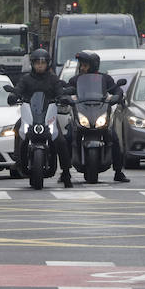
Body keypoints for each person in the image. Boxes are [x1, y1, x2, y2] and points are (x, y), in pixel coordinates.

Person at [66, 51, 129, 183]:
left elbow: (115, 89)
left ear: (93, 65)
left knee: (114, 138)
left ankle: (118, 171)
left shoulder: (105, 79)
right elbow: (66, 90)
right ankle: (65, 172)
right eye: (81, 65)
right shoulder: (75, 80)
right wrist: (65, 96)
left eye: (84, 65)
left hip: (100, 113)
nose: (81, 68)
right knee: (69, 137)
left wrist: (118, 95)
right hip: (82, 114)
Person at [13, 48, 73, 187]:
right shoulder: (26, 79)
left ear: (48, 64)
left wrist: (63, 97)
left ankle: (66, 172)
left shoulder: (53, 79)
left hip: (48, 116)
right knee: (17, 129)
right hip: (30, 115)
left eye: (43, 62)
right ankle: (17, 160)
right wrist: (14, 95)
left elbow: (59, 90)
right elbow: (19, 89)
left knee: (61, 140)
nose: (40, 65)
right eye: (37, 63)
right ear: (32, 64)